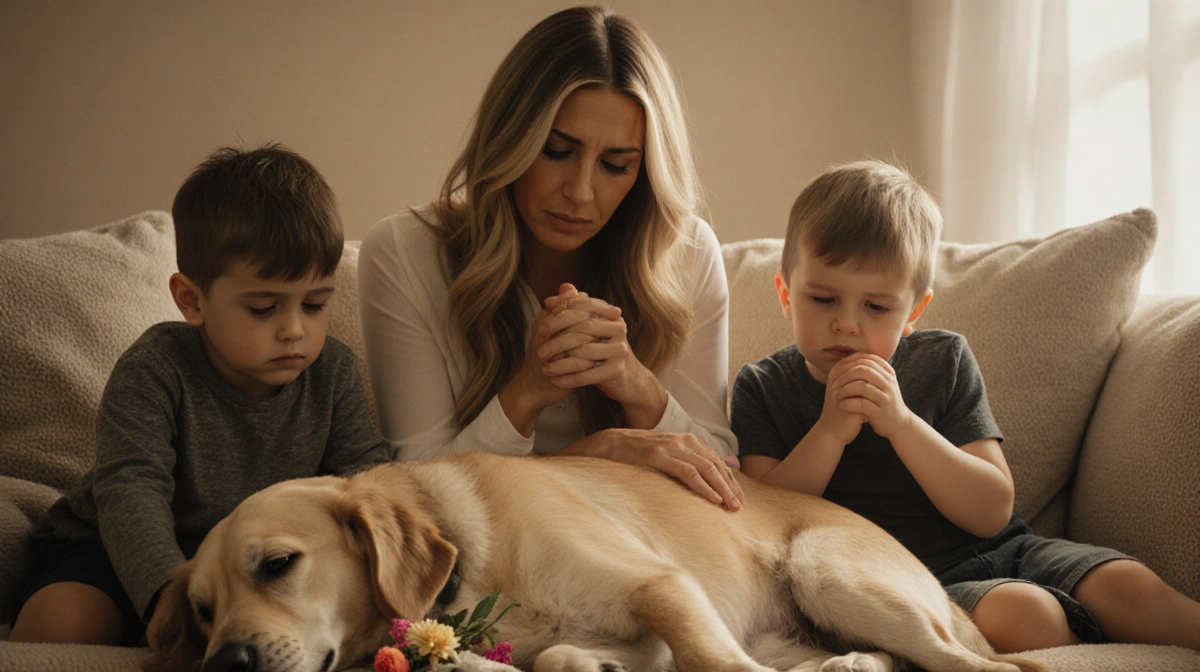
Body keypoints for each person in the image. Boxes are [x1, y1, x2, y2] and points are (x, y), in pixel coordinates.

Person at [730, 159, 1200, 653]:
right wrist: (829, 432)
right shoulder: (761, 387)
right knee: (1027, 616)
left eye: (876, 307)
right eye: (823, 299)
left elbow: (992, 511)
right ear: (785, 295)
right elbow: (765, 524)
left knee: (1128, 585)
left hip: (1006, 550)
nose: (847, 324)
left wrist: (902, 424)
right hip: (906, 587)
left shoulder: (943, 360)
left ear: (913, 312)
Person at [10, 144, 395, 647]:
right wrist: (171, 605)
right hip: (111, 554)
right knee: (61, 626)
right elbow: (131, 490)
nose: (295, 330)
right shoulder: (157, 367)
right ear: (192, 300)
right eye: (264, 308)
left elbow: (362, 479)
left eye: (316, 304)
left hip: (253, 574)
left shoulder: (334, 372)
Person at [359, 6, 742, 509]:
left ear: (645, 172)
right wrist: (542, 402)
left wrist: (636, 385)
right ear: (510, 139)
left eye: (615, 165)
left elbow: (723, 481)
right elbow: (417, 496)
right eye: (557, 151)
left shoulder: (686, 253)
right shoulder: (403, 255)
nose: (581, 193)